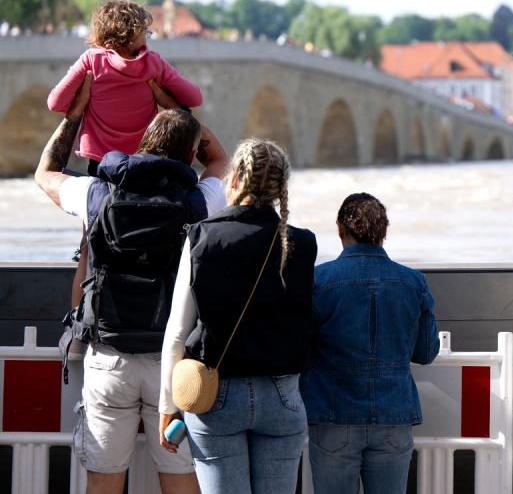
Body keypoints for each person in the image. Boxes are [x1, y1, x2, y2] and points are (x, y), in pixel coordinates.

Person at [34, 88, 227, 494]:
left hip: (109, 357)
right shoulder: (198, 202)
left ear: (142, 143)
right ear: (190, 154)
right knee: (179, 480)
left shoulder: (97, 195)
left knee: (103, 483)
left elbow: (46, 173)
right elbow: (221, 160)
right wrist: (179, 113)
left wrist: (75, 117)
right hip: (173, 364)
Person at [159, 139, 317, 494]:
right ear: (280, 187)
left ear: (233, 180)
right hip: (282, 395)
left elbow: (176, 333)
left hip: (216, 394)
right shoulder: (303, 244)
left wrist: (167, 406)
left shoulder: (203, 236)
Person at [301, 193, 440, 494]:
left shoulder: (317, 281)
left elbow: (299, 349)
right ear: (384, 231)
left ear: (340, 229)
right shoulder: (413, 281)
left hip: (333, 414)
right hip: (393, 416)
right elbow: (427, 353)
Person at [47, 0, 203, 175]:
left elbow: (55, 103)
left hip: (101, 161)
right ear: (136, 34)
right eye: (147, 32)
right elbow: (195, 98)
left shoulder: (91, 60)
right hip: (142, 159)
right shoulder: (153, 63)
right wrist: (164, 97)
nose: (148, 37)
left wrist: (81, 101)